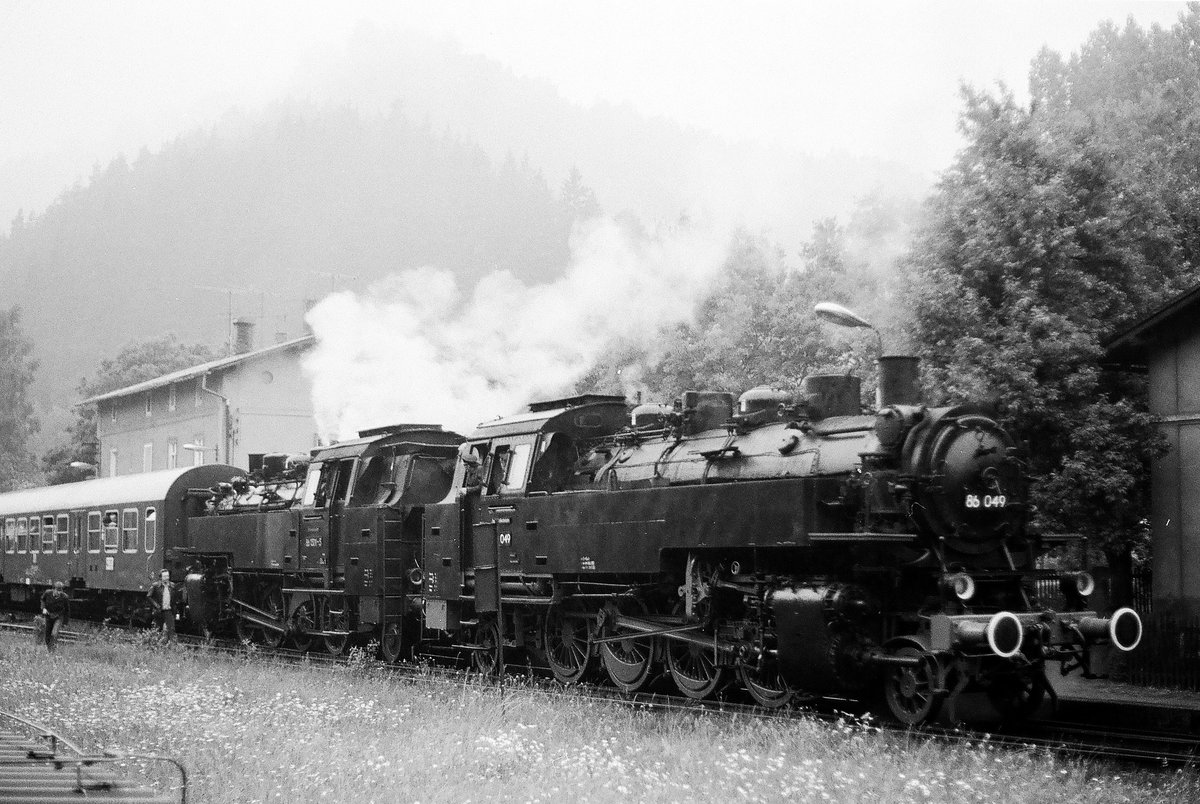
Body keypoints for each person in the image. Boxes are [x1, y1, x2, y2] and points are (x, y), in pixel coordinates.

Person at [147, 569, 179, 639]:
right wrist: (157, 606)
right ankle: (156, 644)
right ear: (160, 577)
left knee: (171, 630)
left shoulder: (173, 586)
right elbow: (149, 596)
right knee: (157, 629)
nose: (166, 578)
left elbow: (175, 599)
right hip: (159, 611)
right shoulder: (155, 586)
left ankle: (171, 646)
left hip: (169, 611)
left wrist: (175, 611)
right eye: (164, 576)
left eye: (167, 576)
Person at [40, 581, 70, 652]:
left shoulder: (64, 597)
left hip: (58, 617)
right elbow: (42, 600)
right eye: (57, 590)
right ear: (53, 589)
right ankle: (49, 649)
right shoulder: (47, 593)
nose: (59, 592)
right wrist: (43, 608)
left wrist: (65, 622)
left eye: (60, 591)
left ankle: (52, 650)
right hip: (49, 616)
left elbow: (67, 610)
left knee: (54, 633)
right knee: (47, 635)